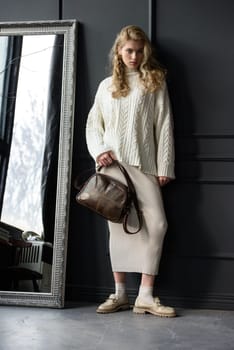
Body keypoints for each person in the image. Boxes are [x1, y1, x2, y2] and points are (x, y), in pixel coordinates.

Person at [86, 25, 176, 317]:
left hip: (145, 164)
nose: (134, 56)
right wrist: (99, 150)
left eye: (139, 51)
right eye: (129, 50)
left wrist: (165, 166)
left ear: (144, 51)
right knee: (117, 229)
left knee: (158, 224)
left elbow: (164, 127)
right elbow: (92, 126)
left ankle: (146, 296)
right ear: (119, 51)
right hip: (111, 167)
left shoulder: (155, 82)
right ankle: (120, 293)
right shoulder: (105, 86)